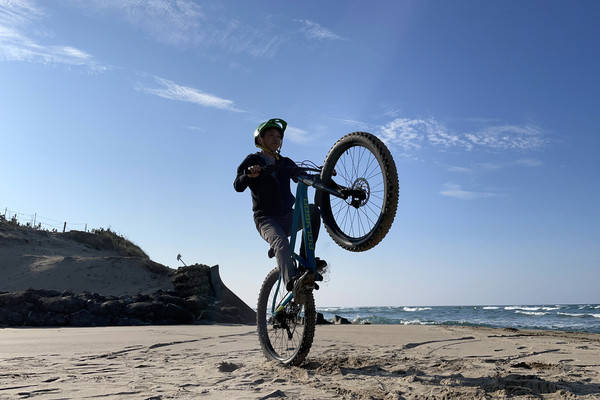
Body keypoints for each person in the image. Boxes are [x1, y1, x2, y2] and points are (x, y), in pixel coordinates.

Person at [234, 118, 325, 301]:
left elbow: (302, 176)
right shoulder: (253, 160)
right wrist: (248, 173)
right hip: (265, 219)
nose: (276, 139)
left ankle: (305, 263)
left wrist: (323, 173)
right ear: (260, 139)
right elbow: (238, 185)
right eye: (270, 135)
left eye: (279, 136)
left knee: (314, 211)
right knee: (281, 242)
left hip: (286, 217)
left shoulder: (285, 162)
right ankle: (292, 283)